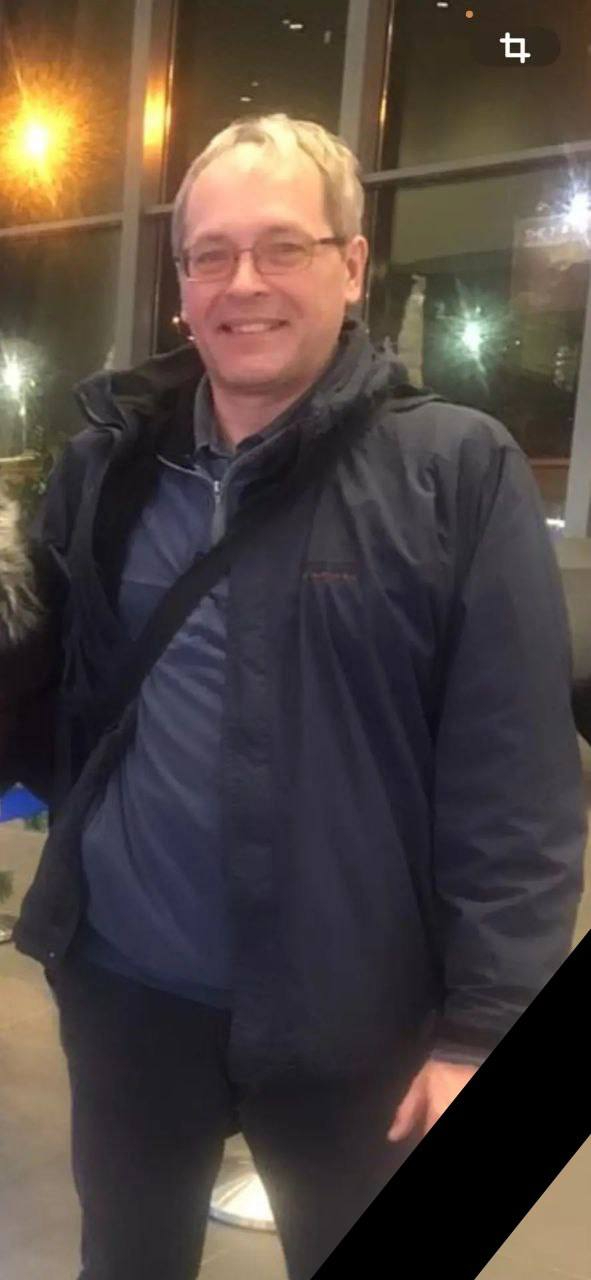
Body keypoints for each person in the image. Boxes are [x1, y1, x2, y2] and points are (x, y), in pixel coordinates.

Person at [0, 114, 585, 1280]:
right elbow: (45, 687)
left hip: (356, 1012)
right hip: (127, 991)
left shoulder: (454, 470)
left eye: (282, 247)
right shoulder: (112, 463)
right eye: (211, 254)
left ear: (353, 265)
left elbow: (512, 774)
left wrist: (486, 1028)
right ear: (181, 283)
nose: (243, 283)